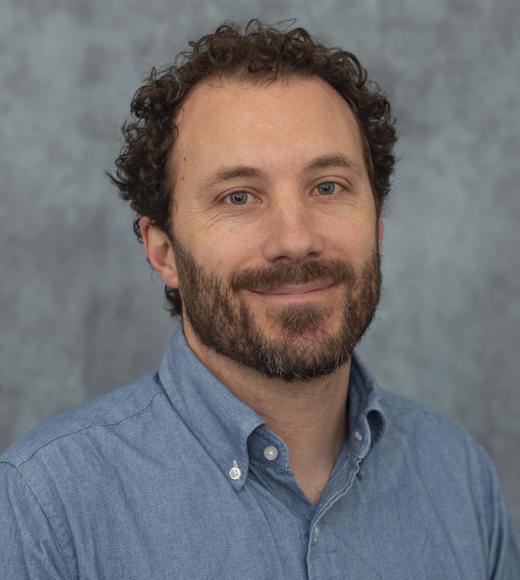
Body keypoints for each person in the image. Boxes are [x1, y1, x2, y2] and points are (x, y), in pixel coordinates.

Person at [0, 18, 518, 579]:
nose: (295, 239)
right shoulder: (43, 506)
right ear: (164, 252)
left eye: (327, 187)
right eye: (239, 196)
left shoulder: (458, 475)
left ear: (377, 224)